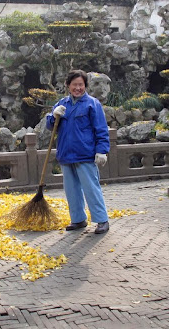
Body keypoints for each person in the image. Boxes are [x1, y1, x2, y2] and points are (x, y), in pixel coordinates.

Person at [46, 69, 110, 234]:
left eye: (81, 84)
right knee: (72, 190)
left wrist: (102, 150)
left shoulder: (92, 104)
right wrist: (54, 115)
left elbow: (101, 129)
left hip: (85, 154)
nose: (78, 88)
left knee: (91, 189)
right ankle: (78, 219)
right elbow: (50, 126)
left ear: (85, 86)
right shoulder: (62, 104)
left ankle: (102, 220)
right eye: (74, 85)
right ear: (68, 86)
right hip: (66, 154)